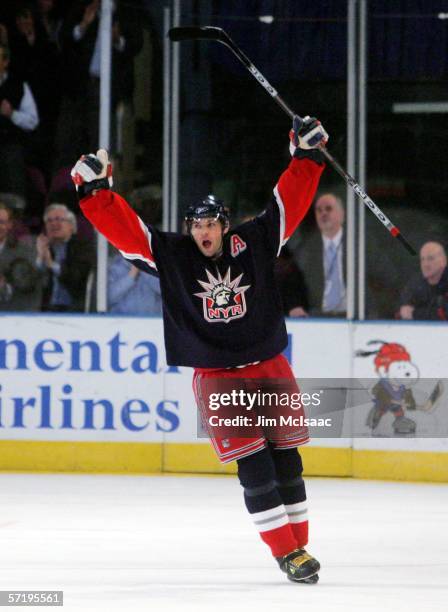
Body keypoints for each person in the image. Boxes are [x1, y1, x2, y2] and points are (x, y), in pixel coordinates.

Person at [71, 116, 328, 583]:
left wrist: (306, 157)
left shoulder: (251, 242)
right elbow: (130, 233)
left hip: (269, 365)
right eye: (195, 224)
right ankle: (284, 552)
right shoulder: (175, 257)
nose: (203, 231)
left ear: (225, 225)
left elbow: (286, 206)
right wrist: (94, 194)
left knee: (287, 459)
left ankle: (300, 544)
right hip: (219, 377)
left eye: (210, 223)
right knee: (255, 466)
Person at [294, 192, 346, 316]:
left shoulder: (360, 244)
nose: (323, 213)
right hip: (318, 318)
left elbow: (387, 278)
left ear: (342, 214)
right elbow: (295, 284)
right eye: (319, 210)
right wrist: (295, 306)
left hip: (357, 317)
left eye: (328, 209)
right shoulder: (306, 249)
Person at [36, 203, 94, 311]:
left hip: (74, 311)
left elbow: (77, 278)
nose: (54, 223)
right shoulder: (41, 246)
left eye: (58, 219)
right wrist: (40, 258)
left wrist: (51, 264)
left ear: (71, 226)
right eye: (49, 220)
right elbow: (33, 282)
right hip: (44, 311)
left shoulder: (82, 247)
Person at [0, 42, 39, 197]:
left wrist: (12, 115)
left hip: (11, 148)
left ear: (5, 61)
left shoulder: (18, 86)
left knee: (14, 195)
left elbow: (32, 121)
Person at [0, 201, 41, 310]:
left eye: (1, 222)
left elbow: (30, 285)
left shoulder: (25, 251)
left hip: (14, 316)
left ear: (9, 225)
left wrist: (5, 286)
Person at [399, 241, 448, 320]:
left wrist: (414, 314)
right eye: (422, 259)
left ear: (443, 261)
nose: (425, 264)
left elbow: (444, 315)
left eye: (430, 259)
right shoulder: (415, 284)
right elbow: (401, 310)